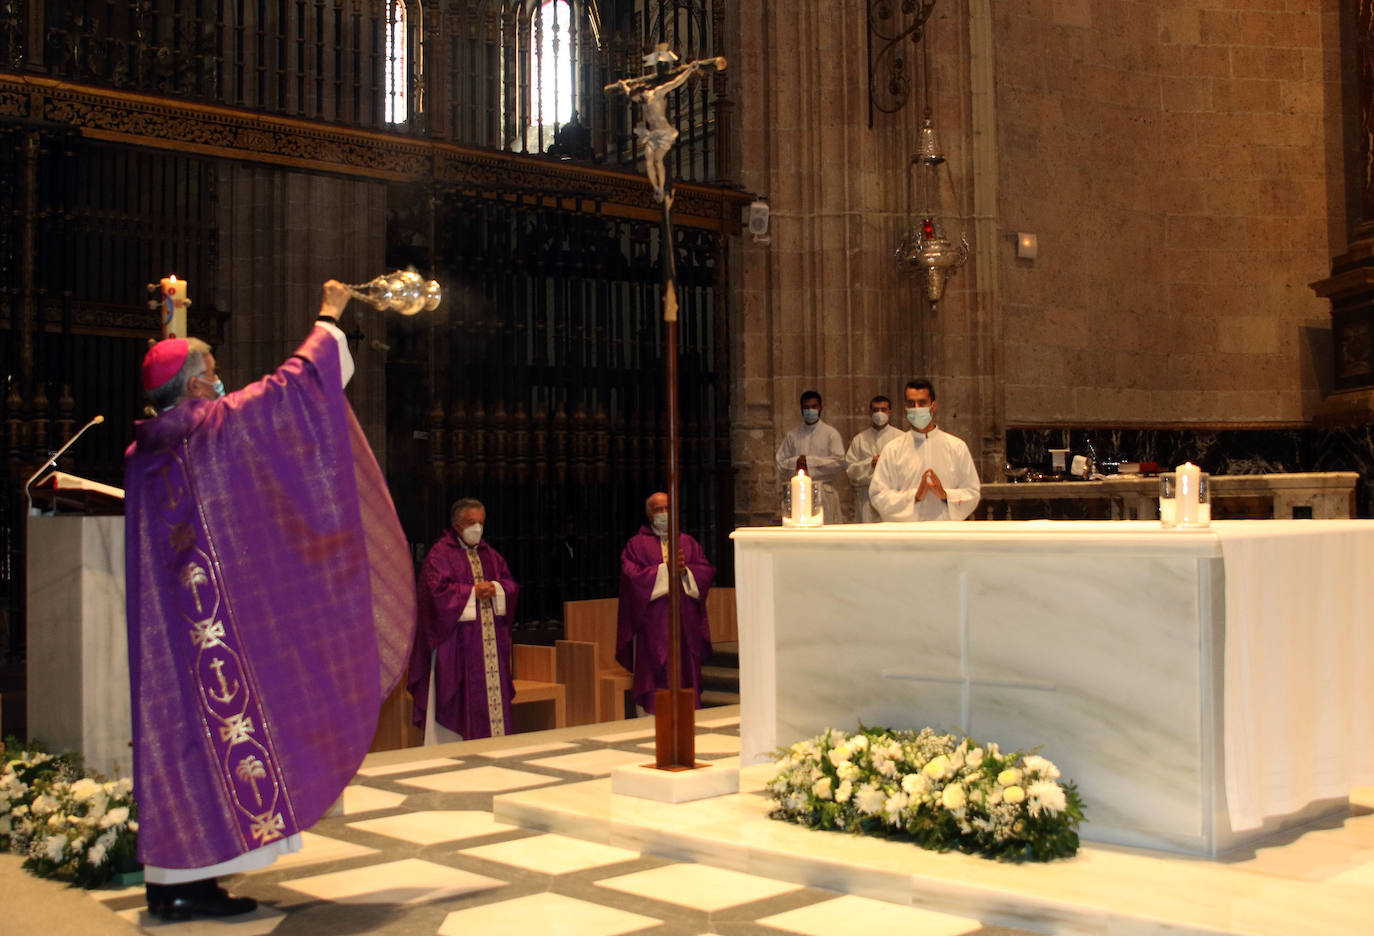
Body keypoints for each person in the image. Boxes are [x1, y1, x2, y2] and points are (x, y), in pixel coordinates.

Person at [124, 282, 415, 920]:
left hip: (181, 635)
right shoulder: (204, 429)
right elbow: (290, 391)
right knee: (210, 739)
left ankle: (186, 881)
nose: (222, 380)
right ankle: (181, 886)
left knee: (189, 743)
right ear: (195, 384)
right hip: (208, 630)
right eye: (214, 370)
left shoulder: (150, 445)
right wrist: (328, 315)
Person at [408, 498, 520, 743]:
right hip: (456, 647)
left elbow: (510, 585)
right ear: (457, 524)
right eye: (471, 523)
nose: (477, 529)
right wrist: (471, 593)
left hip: (488, 645)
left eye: (481, 523)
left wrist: (497, 588)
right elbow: (434, 594)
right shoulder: (440, 555)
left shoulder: (490, 555)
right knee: (455, 703)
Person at [616, 492, 715, 715]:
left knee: (685, 674)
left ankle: (687, 722)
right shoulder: (636, 545)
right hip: (652, 627)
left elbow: (705, 571)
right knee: (654, 675)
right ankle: (651, 723)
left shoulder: (688, 543)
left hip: (684, 625)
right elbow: (631, 578)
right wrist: (664, 571)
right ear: (648, 514)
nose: (663, 514)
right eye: (658, 510)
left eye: (667, 509)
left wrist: (685, 572)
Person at [869, 379, 981, 521]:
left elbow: (972, 492)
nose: (916, 408)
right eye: (911, 404)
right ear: (905, 407)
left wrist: (945, 494)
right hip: (908, 533)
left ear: (933, 406)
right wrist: (914, 496)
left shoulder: (956, 447)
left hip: (945, 532)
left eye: (922, 403)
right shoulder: (893, 450)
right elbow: (878, 495)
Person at [775, 389, 846, 523]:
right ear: (801, 409)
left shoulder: (831, 433)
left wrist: (808, 462)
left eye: (814, 407)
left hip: (824, 491)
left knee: (825, 535)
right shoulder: (793, 435)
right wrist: (797, 462)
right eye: (806, 407)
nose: (810, 410)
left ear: (820, 408)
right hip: (798, 493)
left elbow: (839, 462)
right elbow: (780, 462)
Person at [844, 395, 905, 522]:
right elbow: (850, 470)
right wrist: (870, 463)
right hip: (866, 498)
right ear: (870, 412)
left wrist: (886, 464)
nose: (879, 413)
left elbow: (907, 467)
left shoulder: (901, 438)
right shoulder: (860, 439)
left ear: (890, 412)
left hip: (892, 496)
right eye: (876, 410)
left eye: (883, 410)